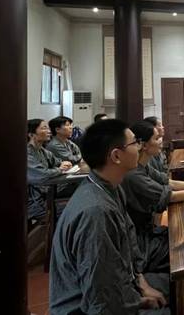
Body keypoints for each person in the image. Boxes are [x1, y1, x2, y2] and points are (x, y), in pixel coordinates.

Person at [49, 119, 171, 314]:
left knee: (181, 280)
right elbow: (101, 299)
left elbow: (129, 240)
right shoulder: (96, 212)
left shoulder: (110, 186)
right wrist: (139, 302)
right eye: (134, 143)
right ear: (116, 156)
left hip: (122, 287)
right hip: (86, 308)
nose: (139, 147)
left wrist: (141, 282)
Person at [121, 121, 184, 272]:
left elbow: (169, 182)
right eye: (156, 138)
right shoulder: (133, 175)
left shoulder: (143, 166)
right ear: (143, 145)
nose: (161, 141)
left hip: (148, 230)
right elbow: (170, 196)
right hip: (141, 242)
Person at [27, 119, 72, 221]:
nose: (49, 131)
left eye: (48, 128)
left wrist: (62, 165)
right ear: (31, 134)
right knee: (73, 211)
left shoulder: (42, 150)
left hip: (46, 195)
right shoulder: (27, 153)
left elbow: (59, 162)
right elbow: (42, 175)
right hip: (35, 203)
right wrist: (59, 170)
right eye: (44, 128)